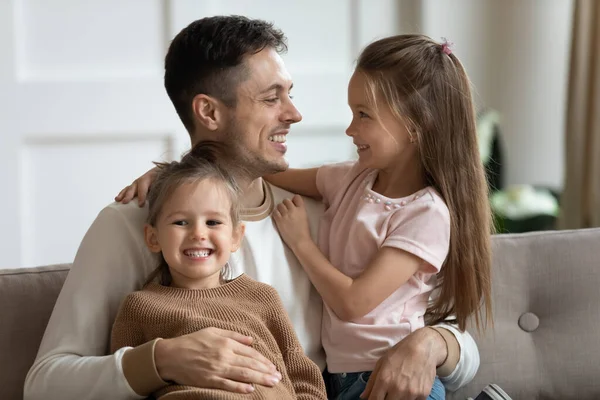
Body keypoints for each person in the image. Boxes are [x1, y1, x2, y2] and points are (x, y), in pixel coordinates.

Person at [25, 16, 480, 400]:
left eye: (290, 92)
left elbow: (447, 336)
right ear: (209, 113)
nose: (295, 113)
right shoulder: (133, 222)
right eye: (271, 98)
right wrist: (161, 360)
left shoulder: (324, 210)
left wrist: (428, 345)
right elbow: (44, 384)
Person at [265, 35, 493, 400]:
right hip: (340, 379)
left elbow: (353, 303)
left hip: (390, 376)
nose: (350, 128)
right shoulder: (348, 178)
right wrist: (179, 170)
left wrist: (301, 243)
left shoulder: (426, 214)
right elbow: (269, 171)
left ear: (417, 124)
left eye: (364, 114)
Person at [110, 142, 327, 399]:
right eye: (181, 222)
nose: (199, 234)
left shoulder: (262, 298)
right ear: (153, 238)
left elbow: (304, 378)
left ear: (236, 236)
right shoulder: (139, 308)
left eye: (213, 222)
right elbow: (123, 389)